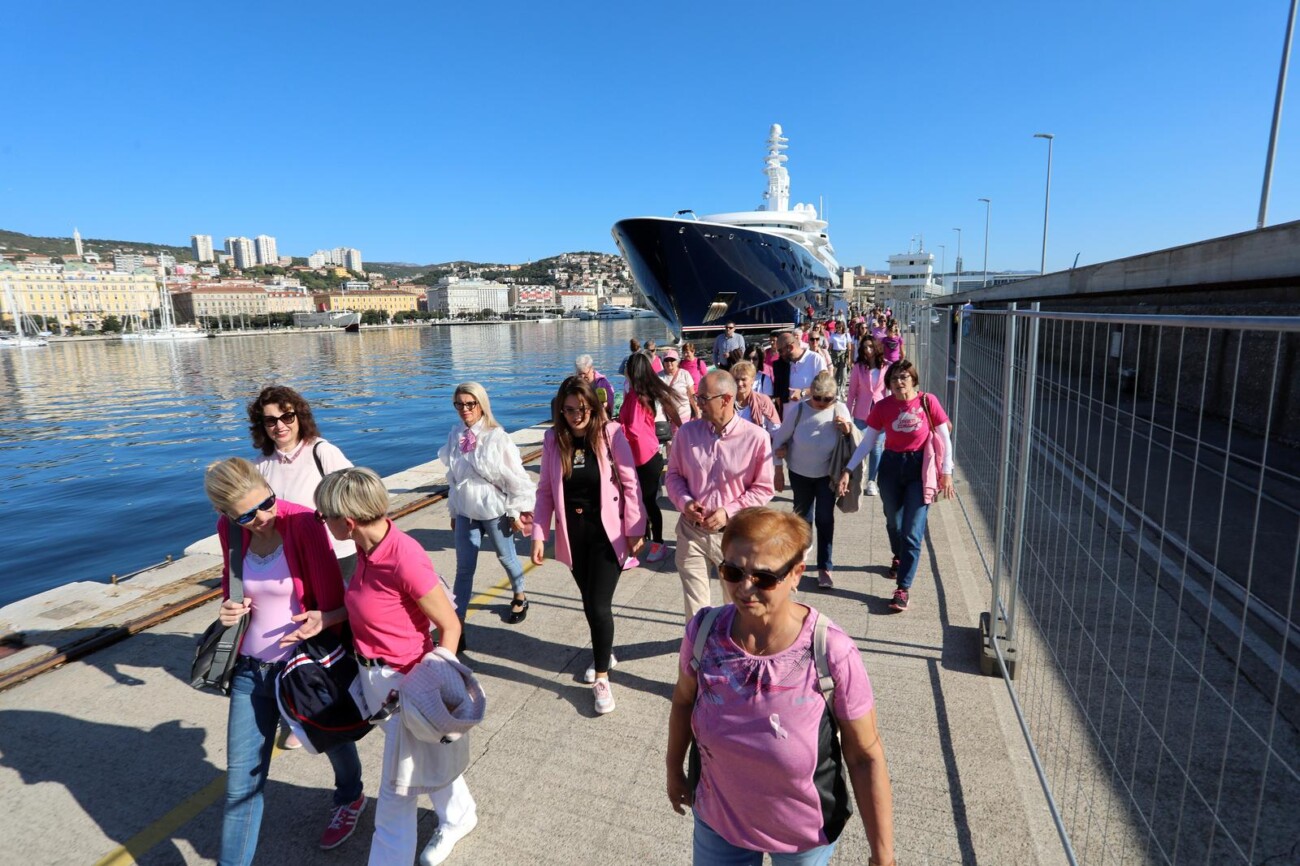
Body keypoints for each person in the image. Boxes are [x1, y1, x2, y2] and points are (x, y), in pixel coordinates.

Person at [665, 507, 895, 866]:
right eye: (732, 572)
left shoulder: (829, 651)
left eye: (764, 578)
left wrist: (883, 856)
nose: (745, 588)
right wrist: (673, 769)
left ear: (796, 574)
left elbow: (865, 756)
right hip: (718, 822)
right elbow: (683, 701)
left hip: (802, 837)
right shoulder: (704, 632)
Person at [203, 458, 365, 865]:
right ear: (225, 514)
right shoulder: (228, 530)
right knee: (241, 784)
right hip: (249, 670)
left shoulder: (304, 523)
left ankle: (350, 795)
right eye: (247, 515)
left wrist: (324, 625)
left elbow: (334, 602)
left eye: (267, 502)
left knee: (332, 740)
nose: (263, 517)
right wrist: (228, 608)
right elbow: (232, 585)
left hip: (301, 667)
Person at [315, 467, 474, 866]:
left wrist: (430, 684)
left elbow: (450, 625)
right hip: (375, 682)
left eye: (323, 516)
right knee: (423, 758)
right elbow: (374, 607)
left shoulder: (403, 556)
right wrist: (328, 618)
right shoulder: (367, 550)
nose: (322, 522)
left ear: (347, 521)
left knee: (396, 790)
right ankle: (460, 815)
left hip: (407, 685)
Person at [532, 377, 646, 714]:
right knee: (589, 602)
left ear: (593, 407)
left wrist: (635, 528)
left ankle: (602, 677)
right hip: (574, 535)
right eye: (568, 410)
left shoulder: (610, 434)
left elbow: (630, 483)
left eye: (582, 408)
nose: (576, 415)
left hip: (607, 534)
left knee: (598, 605)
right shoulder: (554, 439)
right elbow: (545, 491)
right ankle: (604, 650)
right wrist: (539, 533)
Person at [837, 360, 954, 612]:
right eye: (894, 379)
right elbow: (868, 442)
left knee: (912, 531)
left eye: (904, 377)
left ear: (913, 379)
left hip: (919, 468)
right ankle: (898, 555)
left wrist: (947, 472)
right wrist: (848, 469)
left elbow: (945, 437)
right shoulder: (883, 406)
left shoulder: (928, 401)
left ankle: (903, 588)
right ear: (888, 384)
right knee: (893, 521)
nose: (899, 382)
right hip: (891, 467)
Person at [665, 371, 775, 619]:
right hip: (692, 533)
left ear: (726, 399)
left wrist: (728, 511)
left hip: (734, 537)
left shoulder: (756, 437)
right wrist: (685, 502)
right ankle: (698, 642)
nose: (698, 403)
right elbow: (673, 476)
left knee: (735, 609)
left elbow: (764, 488)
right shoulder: (686, 433)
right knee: (696, 613)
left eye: (703, 398)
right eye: (697, 397)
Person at [440, 383, 535, 633]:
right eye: (459, 404)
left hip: (494, 509)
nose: (464, 409)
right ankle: (457, 624)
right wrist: (453, 510)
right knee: (464, 567)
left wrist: (515, 511)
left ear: (481, 405)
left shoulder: (497, 437)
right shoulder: (455, 436)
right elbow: (453, 478)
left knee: (507, 557)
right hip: (465, 511)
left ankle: (520, 595)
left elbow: (516, 477)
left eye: (470, 404)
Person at [248, 385, 358, 583]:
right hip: (291, 557)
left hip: (335, 553)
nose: (280, 426)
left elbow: (356, 495)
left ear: (299, 417)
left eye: (287, 417)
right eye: (271, 421)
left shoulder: (322, 452)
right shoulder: (260, 466)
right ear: (262, 426)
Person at [771, 371, 854, 589]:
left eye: (828, 399)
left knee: (825, 519)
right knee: (802, 520)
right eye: (817, 398)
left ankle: (825, 567)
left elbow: (853, 442)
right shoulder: (799, 410)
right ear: (811, 394)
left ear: (834, 397)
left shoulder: (839, 409)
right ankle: (798, 563)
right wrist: (778, 471)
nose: (822, 403)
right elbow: (778, 441)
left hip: (827, 475)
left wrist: (847, 430)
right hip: (799, 474)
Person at [619, 352, 682, 564]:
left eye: (627, 367)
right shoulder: (633, 394)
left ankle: (659, 543)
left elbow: (634, 431)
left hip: (645, 458)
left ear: (632, 370)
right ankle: (639, 542)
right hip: (636, 457)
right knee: (636, 502)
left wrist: (614, 430)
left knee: (648, 502)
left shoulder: (638, 398)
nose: (624, 370)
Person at [846, 337, 891, 497]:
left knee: (877, 448)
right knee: (859, 445)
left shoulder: (886, 366)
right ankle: (857, 477)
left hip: (880, 411)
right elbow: (851, 393)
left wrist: (891, 412)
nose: (868, 350)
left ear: (876, 347)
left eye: (871, 346)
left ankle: (872, 481)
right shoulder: (858, 367)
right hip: (861, 412)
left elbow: (889, 391)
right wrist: (847, 414)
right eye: (865, 347)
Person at [775, 330, 828, 409]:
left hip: (810, 413)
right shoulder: (782, 364)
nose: (779, 354)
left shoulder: (815, 359)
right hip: (788, 415)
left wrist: (803, 393)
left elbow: (825, 387)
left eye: (780, 351)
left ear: (790, 347)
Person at [660, 346, 698, 424]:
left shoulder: (684, 374)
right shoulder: (658, 376)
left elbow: (692, 396)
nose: (669, 363)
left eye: (672, 360)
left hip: (684, 415)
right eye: (666, 360)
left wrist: (697, 413)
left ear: (677, 361)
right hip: (666, 418)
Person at [827, 324, 850, 391]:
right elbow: (830, 347)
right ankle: (836, 389)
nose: (838, 329)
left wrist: (849, 358)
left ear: (842, 327)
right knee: (835, 373)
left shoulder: (846, 335)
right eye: (836, 327)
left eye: (839, 327)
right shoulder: (833, 335)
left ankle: (842, 389)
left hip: (843, 355)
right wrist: (827, 356)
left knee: (843, 374)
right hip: (835, 355)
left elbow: (849, 347)